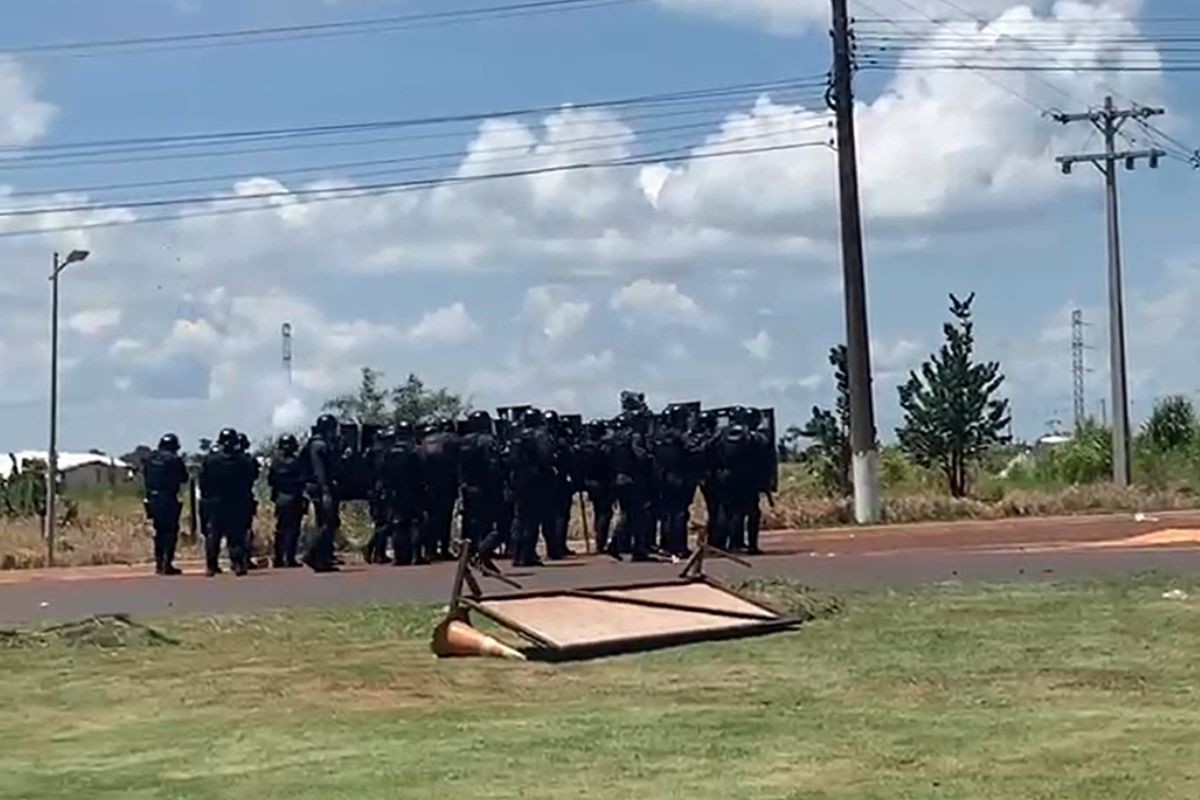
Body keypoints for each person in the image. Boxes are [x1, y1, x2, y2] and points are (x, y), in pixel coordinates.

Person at [508, 408, 556, 568]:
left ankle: (516, 554)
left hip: (517, 480)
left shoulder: (516, 436)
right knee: (532, 519)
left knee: (519, 518)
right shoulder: (540, 435)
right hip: (535, 480)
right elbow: (546, 457)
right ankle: (527, 554)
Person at [199, 428, 250, 577]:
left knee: (213, 534)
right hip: (235, 501)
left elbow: (203, 481)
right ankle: (238, 564)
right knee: (235, 534)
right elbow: (249, 480)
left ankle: (211, 566)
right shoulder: (243, 460)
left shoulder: (211, 460)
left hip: (214, 501)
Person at [458, 410, 504, 570]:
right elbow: (493, 466)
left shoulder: (463, 442)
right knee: (498, 526)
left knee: (474, 524)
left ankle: (475, 554)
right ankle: (482, 553)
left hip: (468, 488)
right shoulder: (487, 441)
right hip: (486, 488)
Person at [607, 410, 655, 562]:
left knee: (624, 513)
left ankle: (614, 541)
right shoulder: (633, 437)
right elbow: (641, 456)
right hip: (633, 480)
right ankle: (638, 549)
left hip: (617, 479)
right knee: (638, 515)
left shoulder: (612, 439)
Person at [142, 432, 189, 576]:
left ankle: (158, 563)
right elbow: (184, 478)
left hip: (152, 498)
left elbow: (145, 475)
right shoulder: (174, 459)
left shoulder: (150, 459)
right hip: (168, 498)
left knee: (159, 531)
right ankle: (166, 563)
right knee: (170, 532)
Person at [303, 414, 342, 573]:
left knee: (327, 522)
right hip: (321, 488)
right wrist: (325, 490)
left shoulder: (315, 444)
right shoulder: (319, 445)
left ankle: (322, 557)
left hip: (317, 487)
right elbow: (320, 470)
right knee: (328, 522)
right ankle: (313, 554)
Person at [382, 421, 425, 565]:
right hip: (414, 490)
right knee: (415, 523)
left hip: (394, 492)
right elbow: (423, 472)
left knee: (398, 524)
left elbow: (382, 473)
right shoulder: (416, 451)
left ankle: (399, 557)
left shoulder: (388, 452)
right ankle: (415, 556)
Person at [419, 419, 460, 561]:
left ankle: (429, 550)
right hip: (446, 485)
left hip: (427, 486)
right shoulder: (453, 440)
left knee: (430, 519)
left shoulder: (425, 442)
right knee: (445, 518)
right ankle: (443, 548)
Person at [267, 433, 307, 568]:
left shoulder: (276, 462)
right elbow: (303, 481)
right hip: (294, 497)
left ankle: (278, 558)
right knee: (293, 529)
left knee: (281, 529)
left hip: (281, 498)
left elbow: (270, 481)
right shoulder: (298, 462)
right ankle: (289, 558)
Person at [579, 420, 615, 553]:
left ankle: (599, 541)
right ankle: (601, 542)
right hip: (603, 482)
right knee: (604, 513)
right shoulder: (603, 447)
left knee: (598, 512)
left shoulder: (584, 446)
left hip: (590, 482)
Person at [235, 431, 260, 570]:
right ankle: (244, 558)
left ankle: (238, 559)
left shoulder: (225, 459)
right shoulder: (248, 460)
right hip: (245, 497)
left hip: (231, 498)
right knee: (245, 529)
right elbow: (254, 476)